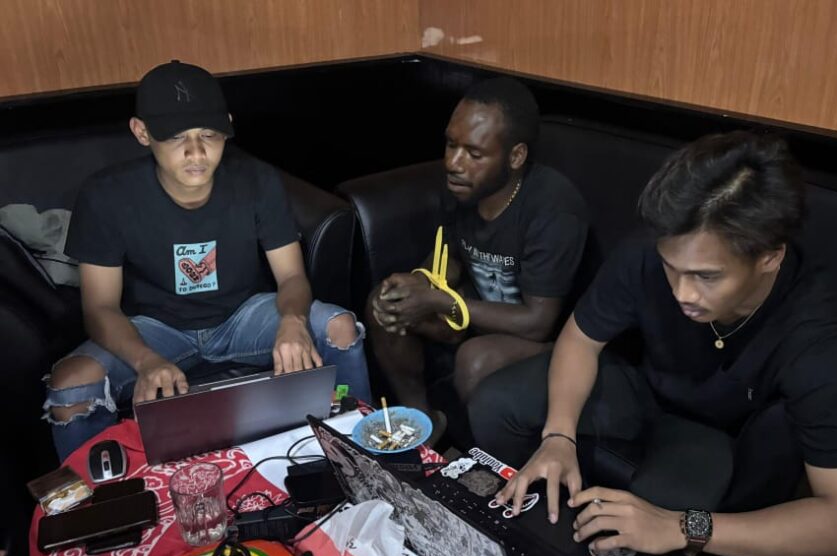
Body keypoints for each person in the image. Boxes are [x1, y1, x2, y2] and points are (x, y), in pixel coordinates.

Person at [471, 132, 837, 556]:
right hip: (642, 387)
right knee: (495, 404)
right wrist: (558, 436)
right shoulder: (647, 254)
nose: (683, 293)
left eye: (707, 276)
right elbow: (580, 339)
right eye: (672, 267)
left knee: (661, 510)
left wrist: (682, 527)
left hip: (717, 436)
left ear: (769, 257)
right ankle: (528, 534)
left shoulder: (820, 344)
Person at [43, 61, 370, 461]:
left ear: (228, 127)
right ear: (142, 132)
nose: (196, 152)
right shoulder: (106, 195)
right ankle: (100, 498)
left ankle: (361, 452)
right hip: (154, 327)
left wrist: (293, 321)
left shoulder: (257, 180)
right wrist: (146, 360)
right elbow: (99, 308)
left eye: (209, 135)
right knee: (71, 383)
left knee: (339, 327)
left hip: (243, 316)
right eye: (176, 136)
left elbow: (291, 277)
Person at [366, 78, 588, 433]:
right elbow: (450, 258)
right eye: (451, 144)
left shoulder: (553, 209)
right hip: (476, 315)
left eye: (474, 153)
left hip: (553, 342)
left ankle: (481, 457)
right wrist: (417, 285)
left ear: (515, 156)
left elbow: (538, 322)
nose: (453, 163)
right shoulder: (463, 189)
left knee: (475, 360)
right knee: (385, 303)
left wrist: (437, 301)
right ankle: (423, 427)